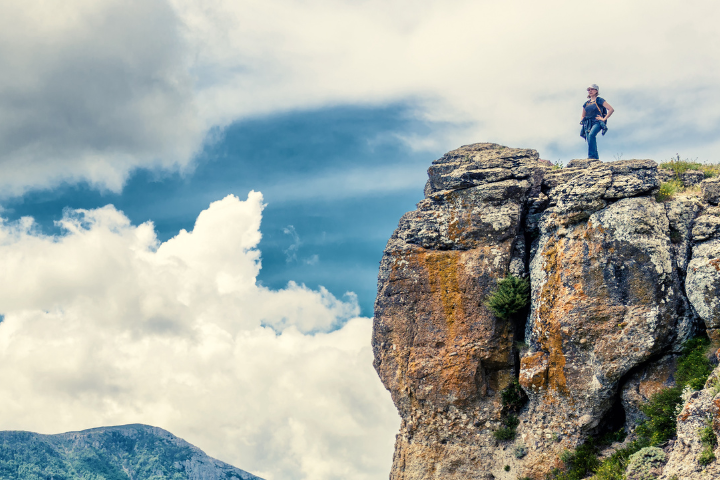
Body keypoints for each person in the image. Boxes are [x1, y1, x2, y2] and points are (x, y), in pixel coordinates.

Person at [580, 84, 614, 159]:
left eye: (592, 89)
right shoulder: (586, 103)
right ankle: (595, 158)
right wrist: (583, 121)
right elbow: (583, 115)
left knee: (592, 134)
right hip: (588, 123)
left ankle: (591, 157)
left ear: (596, 91)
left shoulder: (599, 100)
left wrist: (604, 119)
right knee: (589, 138)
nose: (590, 91)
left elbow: (611, 109)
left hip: (597, 121)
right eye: (589, 90)